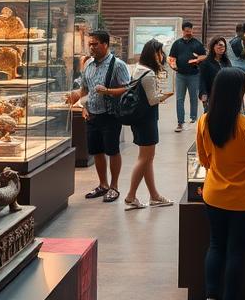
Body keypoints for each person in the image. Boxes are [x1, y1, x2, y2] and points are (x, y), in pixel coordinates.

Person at [197, 68, 245, 300]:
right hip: (244, 200)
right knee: (236, 251)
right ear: (239, 93)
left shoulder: (204, 122)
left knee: (216, 245)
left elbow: (204, 160)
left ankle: (211, 295)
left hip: (213, 195)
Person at [70, 30, 131, 202]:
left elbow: (127, 88)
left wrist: (109, 91)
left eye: (95, 44)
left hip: (110, 114)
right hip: (92, 115)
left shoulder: (117, 64)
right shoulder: (88, 64)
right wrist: (82, 106)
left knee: (112, 151)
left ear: (105, 44)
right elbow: (84, 90)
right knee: (96, 151)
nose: (91, 47)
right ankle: (103, 185)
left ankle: (114, 186)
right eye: (90, 44)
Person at [124, 39, 175, 210]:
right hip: (147, 120)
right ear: (152, 53)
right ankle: (131, 196)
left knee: (147, 159)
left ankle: (154, 196)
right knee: (145, 158)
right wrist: (166, 95)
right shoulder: (149, 73)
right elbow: (153, 100)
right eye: (159, 52)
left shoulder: (138, 69)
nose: (161, 56)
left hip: (139, 119)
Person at [169, 21, 207, 132]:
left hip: (194, 74)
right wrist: (173, 65)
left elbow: (204, 56)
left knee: (194, 98)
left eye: (190, 31)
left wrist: (198, 59)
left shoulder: (197, 43)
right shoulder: (177, 44)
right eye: (186, 31)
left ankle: (193, 119)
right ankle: (180, 122)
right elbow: (172, 57)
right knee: (179, 99)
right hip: (180, 74)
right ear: (183, 31)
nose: (188, 33)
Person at [199, 36, 231, 108]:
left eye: (223, 46)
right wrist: (204, 99)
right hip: (212, 96)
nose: (222, 47)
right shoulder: (206, 63)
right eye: (219, 45)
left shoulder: (227, 62)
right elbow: (202, 81)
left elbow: (232, 76)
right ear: (213, 46)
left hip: (227, 95)